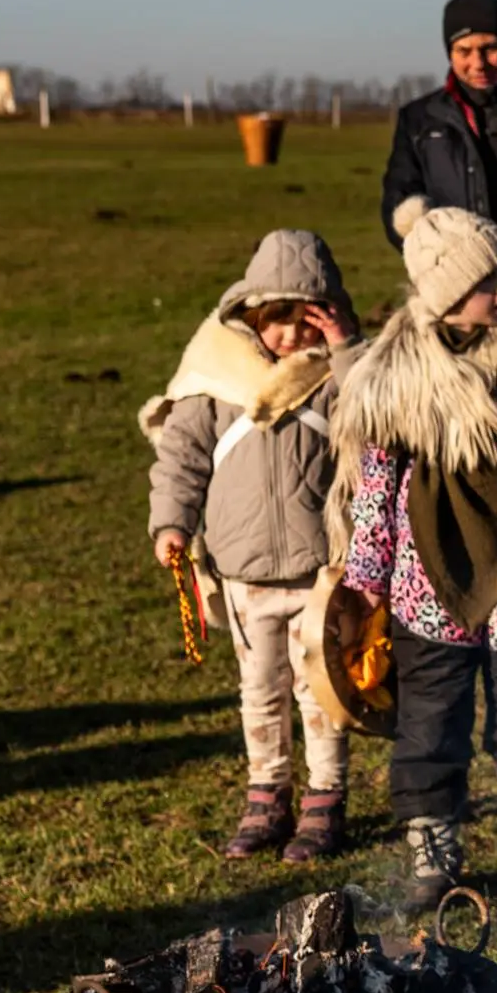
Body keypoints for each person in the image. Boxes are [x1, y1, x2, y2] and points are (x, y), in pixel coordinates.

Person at [327, 203, 497, 913]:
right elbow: (376, 490)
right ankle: (433, 846)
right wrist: (363, 583)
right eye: (485, 279)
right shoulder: (397, 382)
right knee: (429, 717)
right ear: (445, 291)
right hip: (427, 581)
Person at [141, 231, 361, 862]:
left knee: (321, 691)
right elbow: (181, 458)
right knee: (260, 689)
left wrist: (344, 348)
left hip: (319, 572)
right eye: (278, 320)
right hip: (243, 573)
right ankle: (267, 795)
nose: (293, 336)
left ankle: (325, 800)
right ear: (250, 317)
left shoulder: (337, 377)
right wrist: (171, 524)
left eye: (308, 320)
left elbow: (377, 419)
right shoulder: (214, 381)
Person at [380, 0, 497, 246]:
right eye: (464, 51)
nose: (478, 63)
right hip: (459, 277)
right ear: (450, 53)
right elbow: (399, 205)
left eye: (490, 48)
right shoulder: (419, 121)